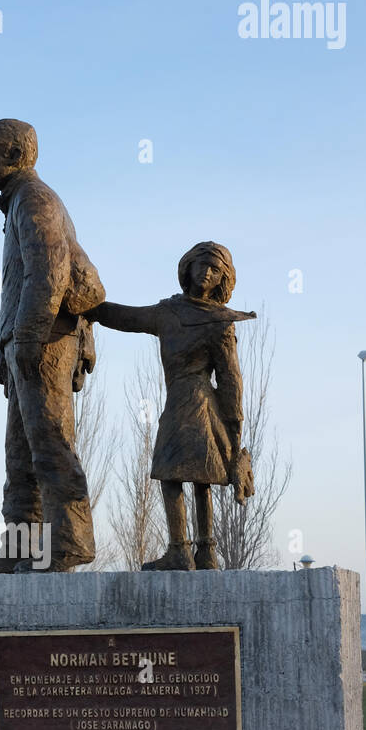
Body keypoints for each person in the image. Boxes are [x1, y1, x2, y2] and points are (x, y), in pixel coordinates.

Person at [0, 119, 105, 573]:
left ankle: (69, 542)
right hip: (28, 338)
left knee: (49, 442)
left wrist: (25, 335)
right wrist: (4, 325)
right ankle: (23, 548)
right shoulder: (18, 204)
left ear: (12, 156)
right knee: (22, 453)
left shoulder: (34, 200)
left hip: (44, 341)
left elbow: (49, 274)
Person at [89, 242, 256, 570]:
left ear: (223, 278)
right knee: (196, 476)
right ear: (188, 267)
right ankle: (204, 552)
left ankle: (184, 549)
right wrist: (92, 308)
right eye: (202, 265)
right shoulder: (170, 313)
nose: (206, 273)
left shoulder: (219, 321)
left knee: (175, 474)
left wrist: (234, 427)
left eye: (215, 270)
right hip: (187, 402)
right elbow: (129, 317)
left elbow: (231, 379)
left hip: (194, 404)